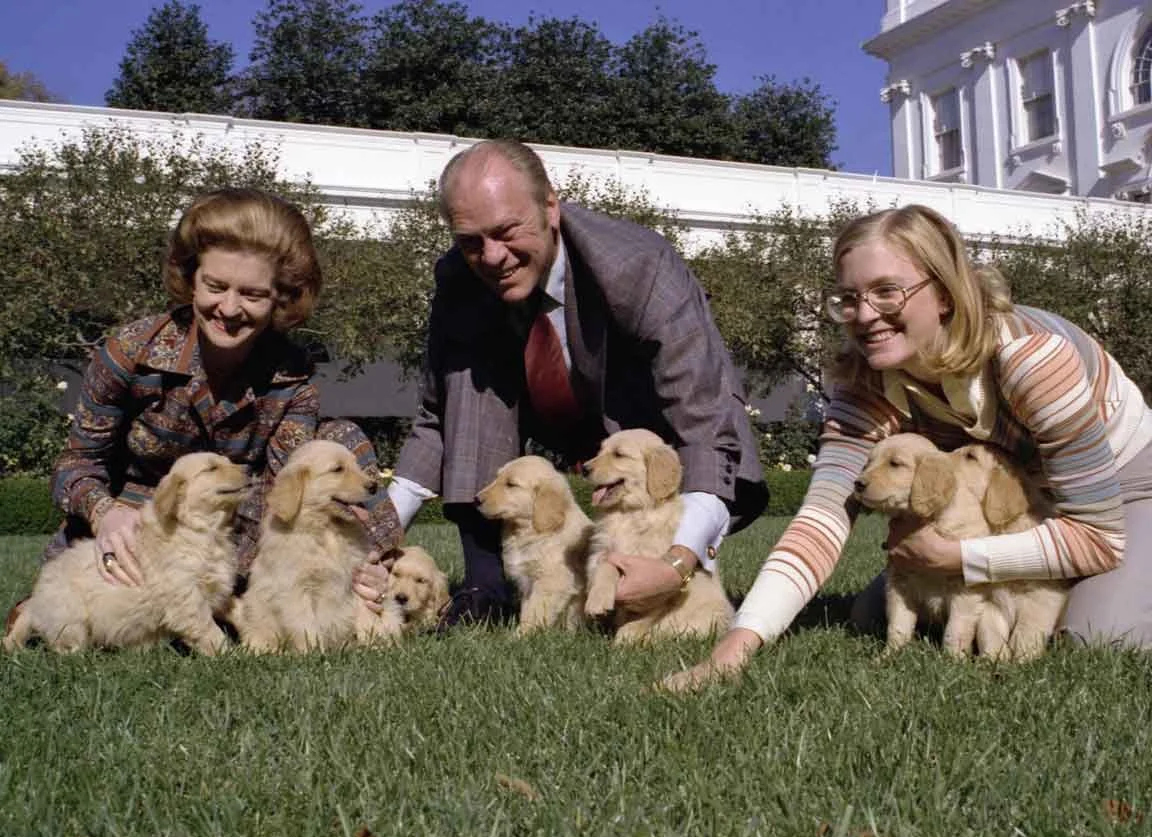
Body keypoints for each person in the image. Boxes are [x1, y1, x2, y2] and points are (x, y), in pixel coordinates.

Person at [663, 203, 1152, 691]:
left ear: (944, 293)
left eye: (887, 292)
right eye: (849, 298)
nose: (865, 315)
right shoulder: (865, 384)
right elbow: (823, 517)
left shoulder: (1032, 360)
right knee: (871, 615)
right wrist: (734, 648)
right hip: (998, 508)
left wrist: (959, 558)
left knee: (1100, 635)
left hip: (1121, 490)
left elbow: (1097, 538)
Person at [360, 139, 767, 626]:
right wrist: (374, 544)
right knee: (467, 376)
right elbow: (436, 419)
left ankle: (646, 567)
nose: (492, 257)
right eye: (470, 241)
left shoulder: (640, 266)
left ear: (550, 207)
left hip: (640, 422)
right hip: (545, 408)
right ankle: (484, 588)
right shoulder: (458, 278)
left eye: (507, 231)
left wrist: (680, 558)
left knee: (659, 472)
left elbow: (705, 419)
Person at [47, 187, 400, 596]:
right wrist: (106, 515)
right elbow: (75, 465)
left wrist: (352, 555)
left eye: (252, 294)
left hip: (233, 535)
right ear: (191, 279)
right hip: (134, 529)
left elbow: (283, 494)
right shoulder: (128, 353)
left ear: (280, 299)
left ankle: (381, 570)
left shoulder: (292, 380)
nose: (229, 310)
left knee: (339, 440)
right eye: (215, 286)